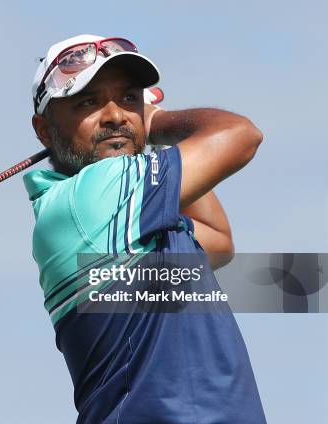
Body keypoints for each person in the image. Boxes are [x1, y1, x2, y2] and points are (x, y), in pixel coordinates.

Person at [24, 34, 267, 423]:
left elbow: (217, 241)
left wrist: (144, 142)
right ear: (44, 130)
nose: (116, 116)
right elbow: (240, 135)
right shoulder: (89, 198)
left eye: (129, 99)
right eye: (88, 102)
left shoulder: (130, 210)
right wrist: (156, 123)